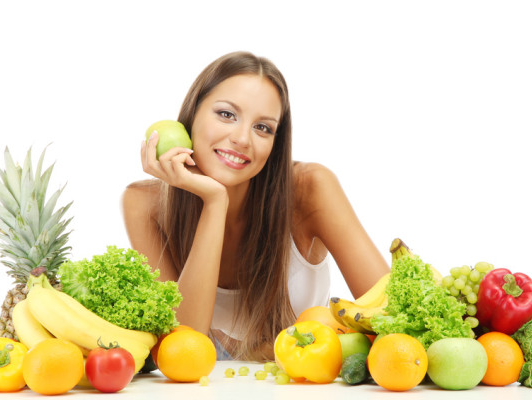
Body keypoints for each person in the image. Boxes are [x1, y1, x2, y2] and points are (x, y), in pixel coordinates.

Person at [122, 51, 389, 361]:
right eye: (226, 114)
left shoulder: (310, 188)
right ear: (191, 116)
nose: (241, 139)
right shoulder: (144, 204)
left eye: (263, 128)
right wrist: (214, 201)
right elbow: (183, 351)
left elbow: (390, 315)